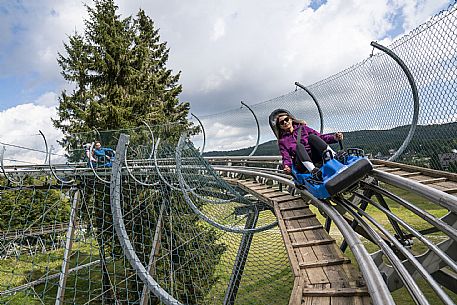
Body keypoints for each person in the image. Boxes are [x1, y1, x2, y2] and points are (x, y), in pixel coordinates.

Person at [270, 109, 344, 180]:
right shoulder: (283, 141)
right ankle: (314, 171)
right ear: (280, 127)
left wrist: (334, 138)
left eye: (286, 119)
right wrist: (287, 167)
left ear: (291, 119)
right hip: (302, 163)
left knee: (312, 137)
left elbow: (320, 138)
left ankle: (333, 157)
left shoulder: (303, 128)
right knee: (299, 146)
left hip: (314, 156)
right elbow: (286, 157)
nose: (285, 123)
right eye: (282, 122)